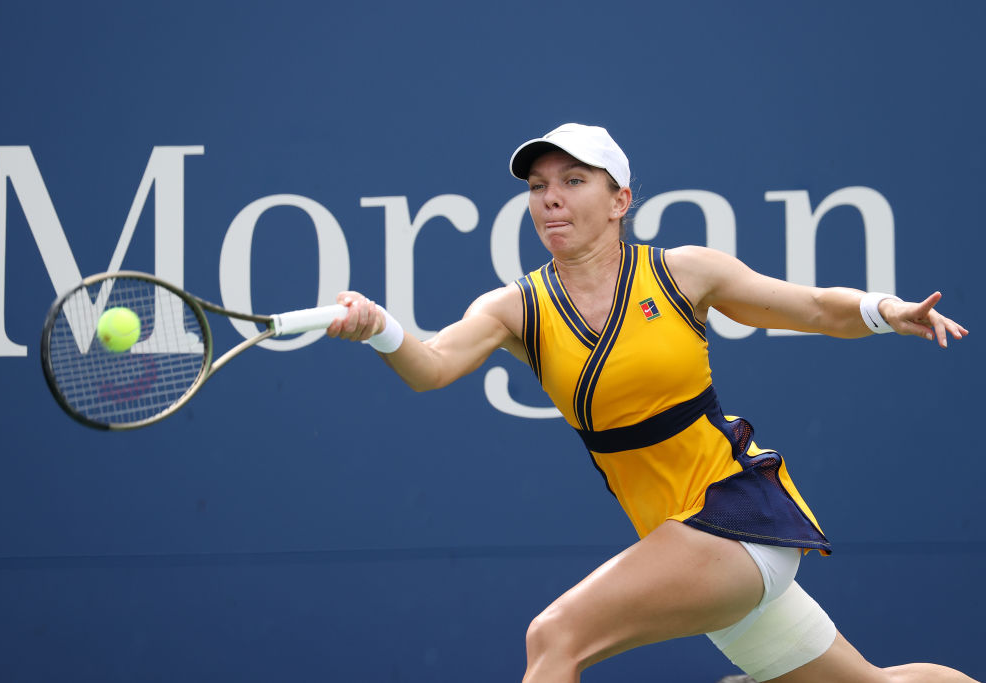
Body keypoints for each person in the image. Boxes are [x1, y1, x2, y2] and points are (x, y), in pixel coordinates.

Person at [325, 123, 975, 682]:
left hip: (734, 516)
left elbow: (811, 306)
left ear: (619, 200)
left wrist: (886, 309)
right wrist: (381, 327)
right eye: (538, 185)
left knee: (553, 636)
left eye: (574, 180)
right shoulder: (515, 307)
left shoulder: (681, 272)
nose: (551, 197)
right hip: (687, 546)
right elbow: (431, 366)